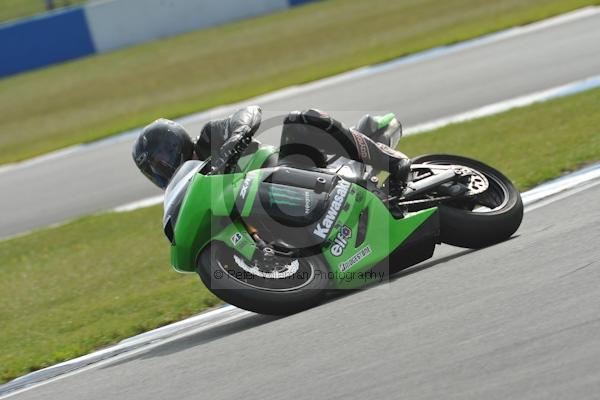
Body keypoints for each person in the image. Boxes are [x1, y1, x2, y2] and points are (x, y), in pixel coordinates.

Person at [132, 105, 410, 189]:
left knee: (301, 119)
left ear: (176, 142)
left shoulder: (210, 138)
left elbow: (249, 113)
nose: (164, 168)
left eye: (162, 158)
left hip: (293, 171)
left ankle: (391, 160)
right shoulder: (190, 190)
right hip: (276, 212)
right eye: (155, 169)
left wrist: (234, 141)